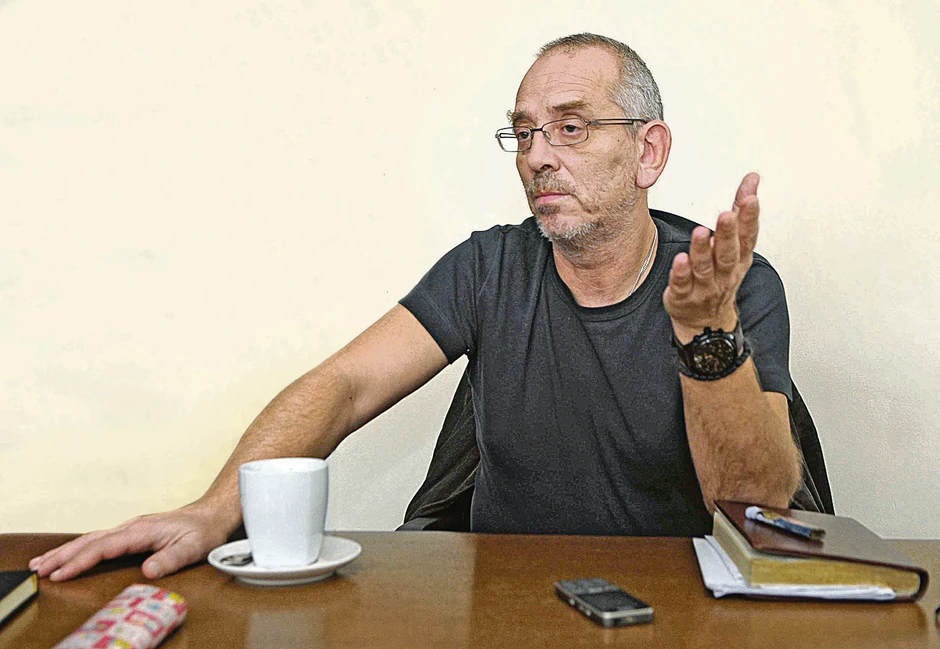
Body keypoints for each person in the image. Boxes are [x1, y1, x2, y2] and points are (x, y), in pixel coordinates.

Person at [30, 33, 801, 581]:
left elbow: (755, 503)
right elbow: (346, 384)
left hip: (675, 605)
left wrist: (707, 331)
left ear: (648, 151)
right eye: (524, 133)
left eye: (570, 127)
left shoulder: (734, 284)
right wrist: (213, 510)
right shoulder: (489, 266)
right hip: (503, 598)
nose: (537, 155)